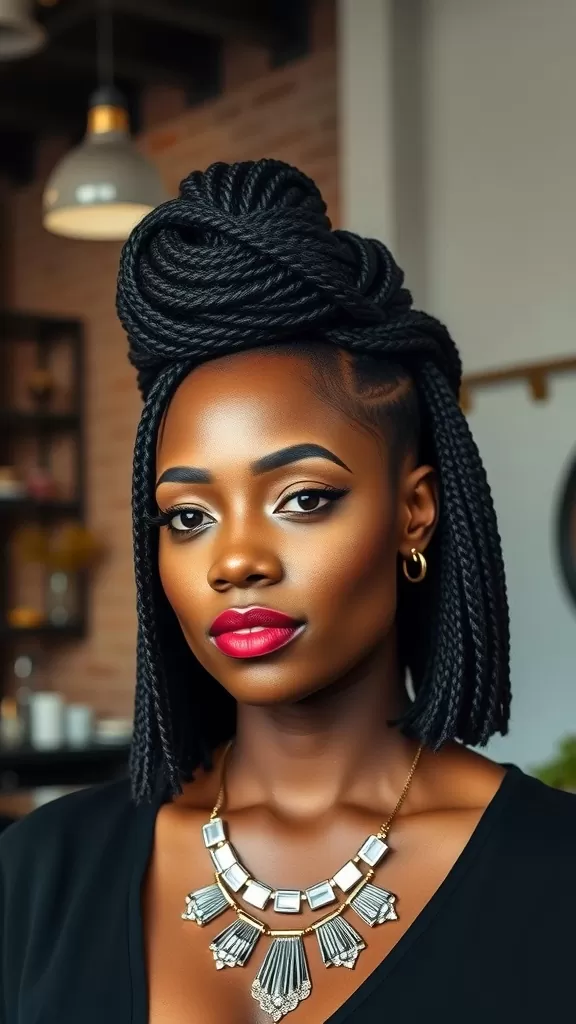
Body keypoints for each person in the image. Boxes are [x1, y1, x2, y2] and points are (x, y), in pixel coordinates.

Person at [0, 160, 574, 1024]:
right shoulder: (40, 872)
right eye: (188, 517)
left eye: (303, 499)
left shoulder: (556, 874)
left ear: (414, 512)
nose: (235, 561)